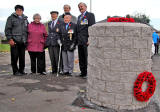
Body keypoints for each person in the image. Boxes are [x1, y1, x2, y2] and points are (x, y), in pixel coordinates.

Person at [5, 5, 28, 76]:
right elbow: (7, 29)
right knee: (14, 57)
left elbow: (27, 30)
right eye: (17, 10)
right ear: (15, 11)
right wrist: (10, 39)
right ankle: (15, 71)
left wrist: (27, 41)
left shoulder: (25, 19)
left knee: (22, 57)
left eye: (20, 10)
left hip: (23, 41)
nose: (19, 11)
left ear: (22, 11)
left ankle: (21, 70)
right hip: (14, 41)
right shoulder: (11, 18)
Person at [77, 2, 95, 78]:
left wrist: (90, 39)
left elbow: (92, 28)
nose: (80, 8)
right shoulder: (79, 17)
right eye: (79, 7)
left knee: (87, 57)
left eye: (81, 6)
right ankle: (83, 72)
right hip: (79, 40)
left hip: (86, 40)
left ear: (85, 7)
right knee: (81, 57)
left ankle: (88, 73)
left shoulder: (90, 15)